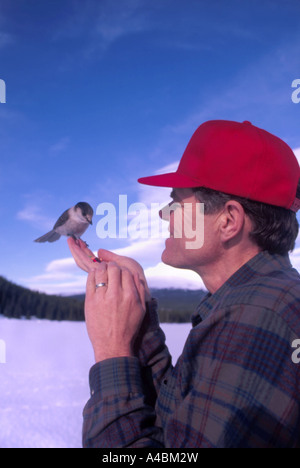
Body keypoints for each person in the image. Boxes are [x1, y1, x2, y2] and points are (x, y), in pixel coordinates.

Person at [68, 120, 300, 448]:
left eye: (176, 202)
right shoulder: (248, 302)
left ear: (228, 221)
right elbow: (176, 423)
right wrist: (137, 300)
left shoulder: (258, 319)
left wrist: (112, 352)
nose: (165, 214)